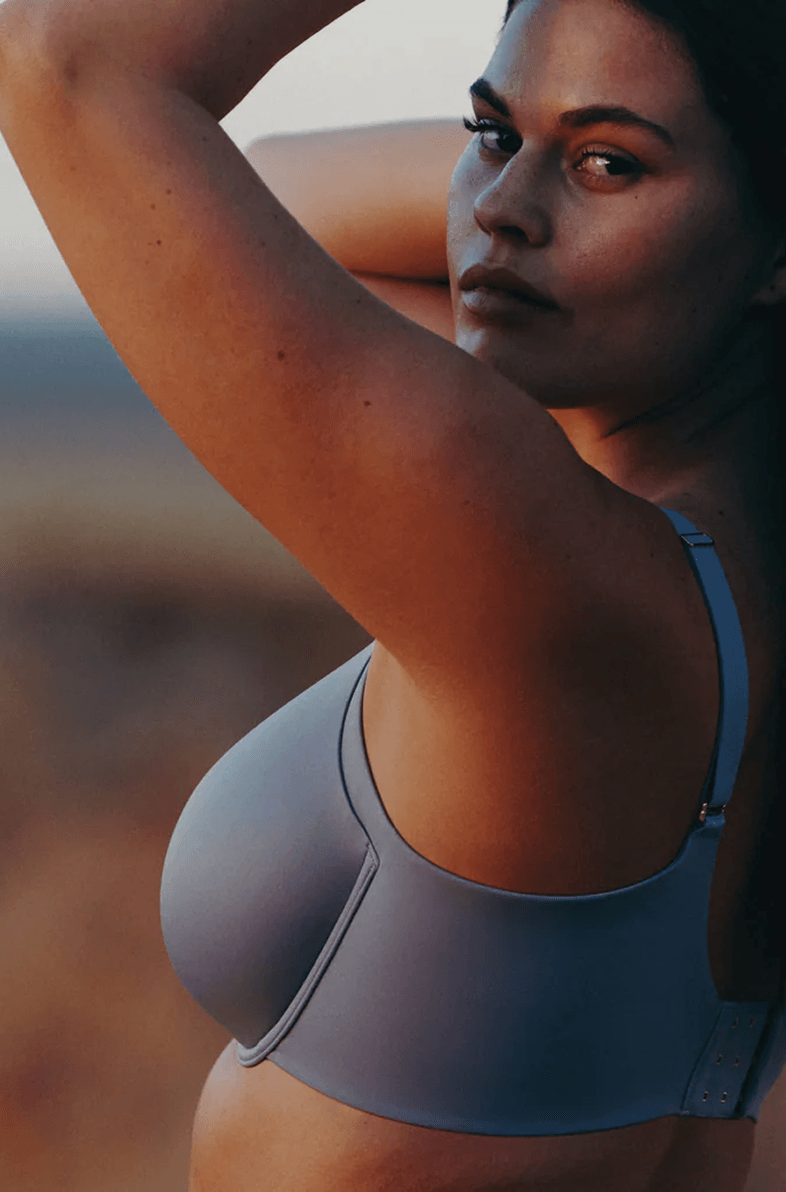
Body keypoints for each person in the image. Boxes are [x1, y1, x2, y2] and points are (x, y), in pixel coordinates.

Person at [1, 0, 784, 1188]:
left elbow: (59, 59)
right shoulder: (714, 554)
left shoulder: (546, 563)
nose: (502, 210)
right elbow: (284, 199)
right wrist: (576, 152)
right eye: (489, 131)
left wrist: (536, 148)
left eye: (610, 163)